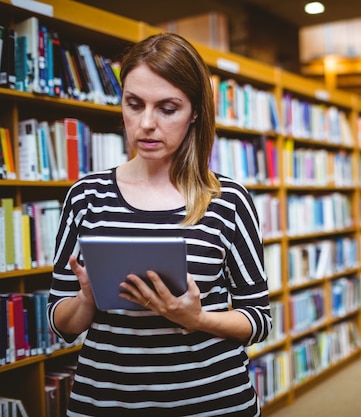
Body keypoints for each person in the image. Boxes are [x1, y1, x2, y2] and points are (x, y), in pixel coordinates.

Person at [47, 33, 272, 416]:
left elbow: (259, 319)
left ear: (196, 111)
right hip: (105, 402)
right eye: (134, 104)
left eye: (167, 108)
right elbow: (62, 323)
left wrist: (197, 318)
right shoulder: (86, 196)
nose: (146, 124)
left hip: (212, 403)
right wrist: (87, 298)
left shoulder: (228, 200)